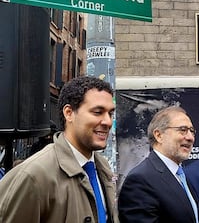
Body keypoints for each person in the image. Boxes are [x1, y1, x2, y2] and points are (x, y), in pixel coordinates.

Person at [0, 75, 118, 223]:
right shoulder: (34, 175)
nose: (108, 121)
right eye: (97, 112)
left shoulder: (102, 168)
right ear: (69, 113)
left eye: (110, 113)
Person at [118, 106, 199, 223]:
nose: (190, 137)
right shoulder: (140, 180)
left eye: (192, 131)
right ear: (159, 135)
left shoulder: (182, 176)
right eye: (183, 130)